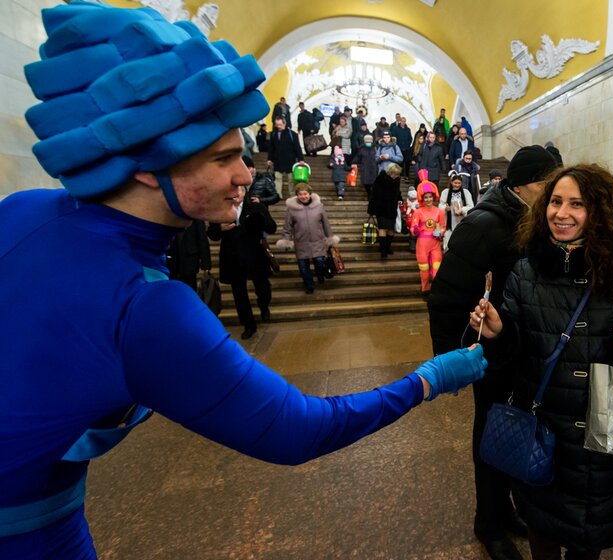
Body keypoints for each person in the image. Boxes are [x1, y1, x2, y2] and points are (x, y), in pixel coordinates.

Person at [0, 5, 488, 558]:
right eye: (224, 157)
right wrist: (427, 379)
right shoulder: (146, 307)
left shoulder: (20, 210)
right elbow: (299, 430)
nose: (246, 174)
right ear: (144, 164)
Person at [469, 164, 613, 560]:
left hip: (598, 441)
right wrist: (496, 332)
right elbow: (512, 354)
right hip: (541, 434)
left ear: (602, 212)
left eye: (577, 204)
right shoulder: (526, 271)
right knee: (542, 536)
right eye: (556, 201)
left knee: (586, 544)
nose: (562, 213)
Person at [428, 145, 557, 560]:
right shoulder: (484, 224)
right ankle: (488, 523)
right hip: (489, 353)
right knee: (492, 431)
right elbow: (447, 298)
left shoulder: (531, 220)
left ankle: (503, 509)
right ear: (521, 185)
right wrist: (450, 362)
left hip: (519, 347)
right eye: (546, 185)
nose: (553, 195)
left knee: (512, 428)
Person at [207, 178, 277, 340]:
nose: (235, 194)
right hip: (232, 257)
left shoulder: (255, 206)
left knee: (263, 288)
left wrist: (261, 221)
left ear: (244, 192)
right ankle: (248, 325)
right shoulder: (220, 209)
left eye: (238, 190)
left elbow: (271, 227)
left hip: (255, 255)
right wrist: (220, 228)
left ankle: (264, 306)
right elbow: (211, 234)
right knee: (239, 294)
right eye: (232, 191)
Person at [277, 183, 338, 294]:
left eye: (305, 194)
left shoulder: (319, 206)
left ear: (310, 194)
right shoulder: (292, 209)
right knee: (303, 266)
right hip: (301, 242)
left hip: (318, 241)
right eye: (300, 194)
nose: (303, 196)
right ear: (297, 195)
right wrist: (286, 239)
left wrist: (330, 238)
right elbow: (287, 226)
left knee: (319, 262)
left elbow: (326, 223)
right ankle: (309, 286)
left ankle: (320, 275)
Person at [411, 170, 446, 294]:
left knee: (437, 269)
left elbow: (443, 227)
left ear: (434, 197)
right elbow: (413, 228)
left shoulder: (439, 212)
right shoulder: (418, 212)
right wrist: (414, 228)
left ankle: (436, 291)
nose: (428, 199)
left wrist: (440, 232)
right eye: (425, 197)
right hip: (422, 244)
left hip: (435, 244)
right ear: (422, 198)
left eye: (430, 196)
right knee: (424, 270)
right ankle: (425, 289)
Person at [368, 164, 404, 260]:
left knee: (391, 230)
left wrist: (400, 199)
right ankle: (383, 250)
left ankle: (387, 248)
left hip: (392, 209)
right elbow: (374, 193)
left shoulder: (397, 180)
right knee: (383, 228)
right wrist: (371, 208)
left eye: (398, 174)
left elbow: (398, 192)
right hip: (381, 209)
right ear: (390, 172)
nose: (397, 176)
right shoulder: (381, 178)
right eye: (395, 174)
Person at [166, 219, 211, 289]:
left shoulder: (194, 215)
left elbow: (202, 239)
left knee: (190, 288)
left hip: (189, 260)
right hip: (171, 259)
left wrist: (206, 264)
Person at [267, 115, 304, 198]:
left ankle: (292, 195)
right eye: (277, 124)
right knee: (277, 178)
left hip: (290, 160)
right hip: (278, 160)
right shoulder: (274, 134)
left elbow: (297, 147)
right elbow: (271, 148)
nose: (278, 126)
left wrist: (301, 159)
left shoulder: (293, 134)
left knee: (291, 179)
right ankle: (277, 196)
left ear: (285, 123)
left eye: (280, 124)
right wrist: (269, 159)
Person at [439, 172, 474, 251]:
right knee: (448, 243)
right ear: (451, 182)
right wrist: (445, 208)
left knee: (461, 243)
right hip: (449, 222)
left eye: (459, 183)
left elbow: (471, 206)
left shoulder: (466, 192)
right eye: (455, 183)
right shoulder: (445, 192)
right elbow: (440, 205)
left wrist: (462, 210)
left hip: (462, 221)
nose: (457, 185)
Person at [352, 134, 378, 199]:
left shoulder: (376, 148)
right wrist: (354, 162)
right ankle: (369, 194)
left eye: (369, 141)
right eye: (367, 141)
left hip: (373, 168)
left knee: (374, 183)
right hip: (365, 168)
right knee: (366, 183)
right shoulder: (361, 149)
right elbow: (357, 157)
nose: (368, 142)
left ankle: (372, 195)